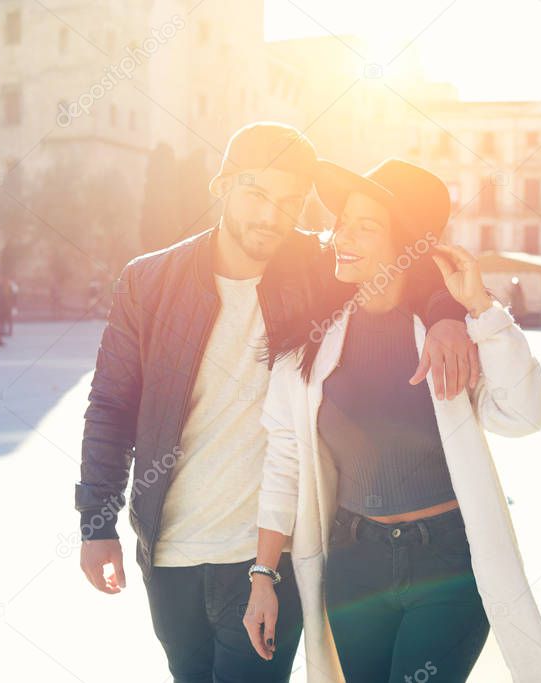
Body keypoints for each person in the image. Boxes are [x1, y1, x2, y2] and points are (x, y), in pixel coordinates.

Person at [74, 124, 476, 683]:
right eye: (257, 194)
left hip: (273, 554)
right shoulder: (147, 281)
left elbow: (407, 257)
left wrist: (445, 315)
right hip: (169, 552)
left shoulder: (315, 269)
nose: (271, 215)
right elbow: (111, 406)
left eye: (289, 202)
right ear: (221, 186)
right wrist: (96, 521)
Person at [245, 158, 541, 683]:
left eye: (365, 226)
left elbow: (525, 415)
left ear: (408, 245)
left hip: (448, 567)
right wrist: (262, 575)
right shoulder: (310, 343)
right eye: (342, 221)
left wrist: (481, 309)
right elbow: (283, 460)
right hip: (354, 567)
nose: (340, 235)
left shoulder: (451, 332)